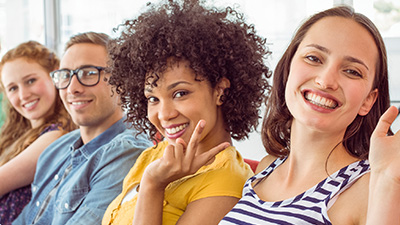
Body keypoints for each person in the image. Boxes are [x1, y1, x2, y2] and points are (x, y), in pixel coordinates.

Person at [220, 6, 399, 224]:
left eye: (352, 71)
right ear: (288, 70)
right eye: (314, 58)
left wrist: (388, 183)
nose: (326, 81)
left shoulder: (370, 186)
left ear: (368, 101)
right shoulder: (266, 169)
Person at [101, 0, 271, 224]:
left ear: (219, 90)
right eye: (153, 99)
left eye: (180, 93)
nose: (164, 114)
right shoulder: (154, 156)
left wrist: (152, 184)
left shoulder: (226, 181)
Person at [12, 32, 152, 225]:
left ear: (122, 82)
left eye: (89, 73)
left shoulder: (127, 152)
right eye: (66, 75)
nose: (72, 88)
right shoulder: (55, 149)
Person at [0, 41, 77, 224]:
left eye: (31, 81)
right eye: (13, 88)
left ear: (55, 75)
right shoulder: (16, 132)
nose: (23, 95)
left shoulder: (56, 135)